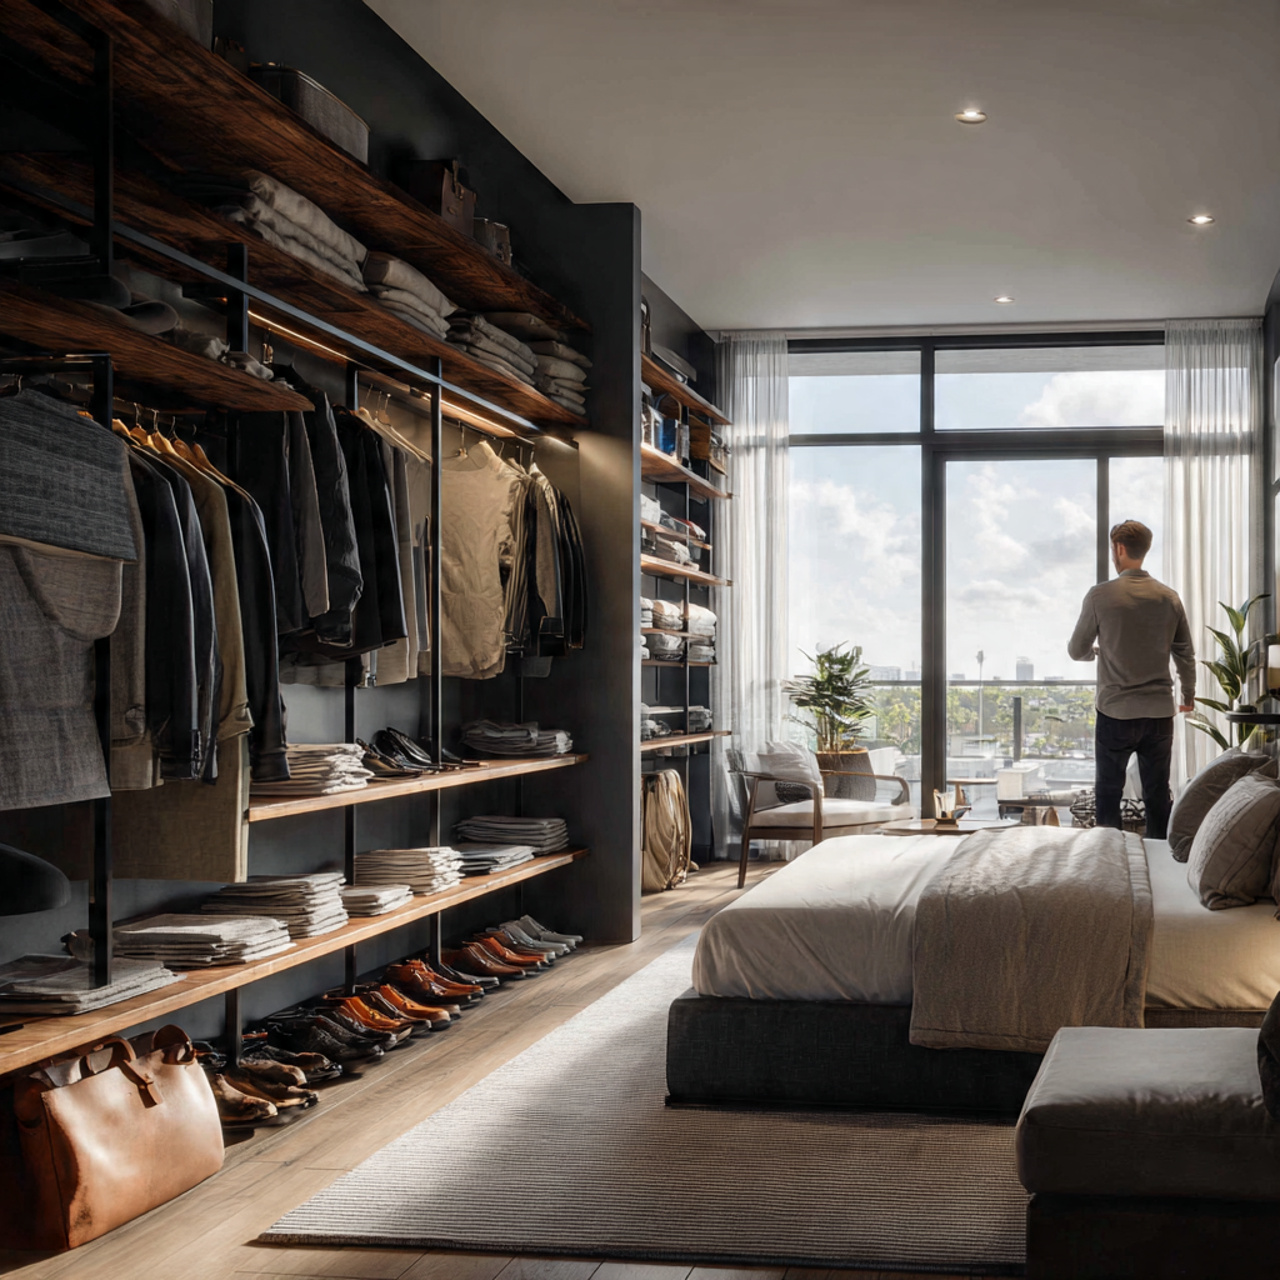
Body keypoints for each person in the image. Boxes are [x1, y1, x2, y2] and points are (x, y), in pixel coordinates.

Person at [1067, 519, 1195, 839]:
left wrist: (1095, 653)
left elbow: (1076, 650)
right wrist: (1188, 695)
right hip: (1159, 714)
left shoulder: (1100, 596)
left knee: (1109, 791)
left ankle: (1109, 858)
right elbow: (1184, 652)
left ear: (1119, 549)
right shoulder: (1169, 597)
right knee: (1157, 792)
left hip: (1115, 713)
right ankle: (1160, 857)